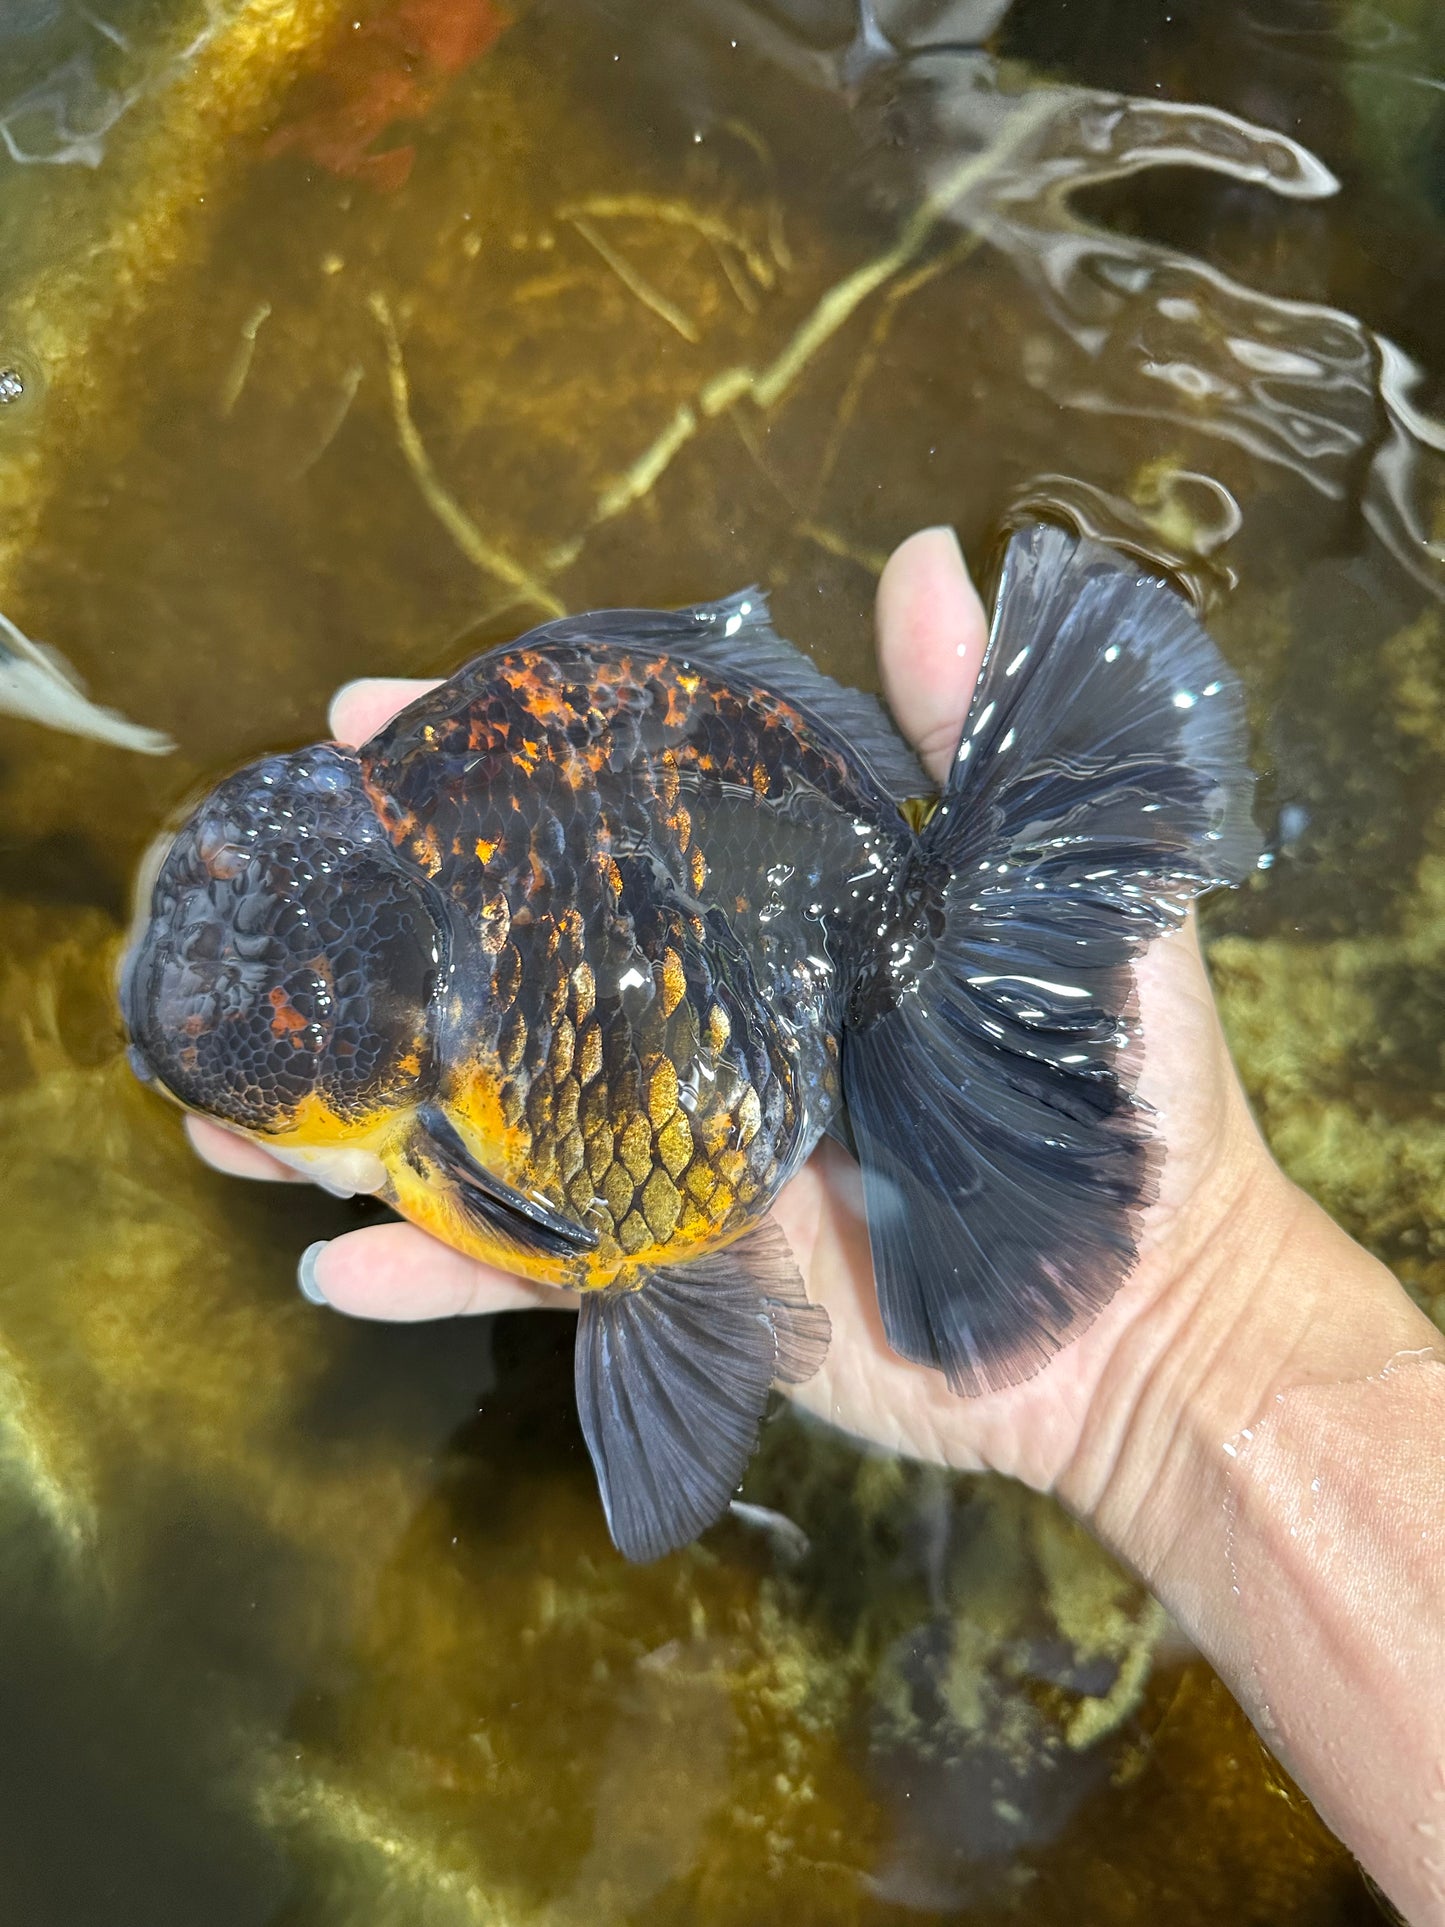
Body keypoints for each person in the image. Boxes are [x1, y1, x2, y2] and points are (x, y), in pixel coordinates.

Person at [188, 528, 1445, 1925]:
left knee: (642, 1240)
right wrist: (1183, 1349)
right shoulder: (422, 802)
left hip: (754, 930)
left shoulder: (442, 1115)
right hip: (731, 811)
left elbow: (594, 1246)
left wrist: (1187, 1327)